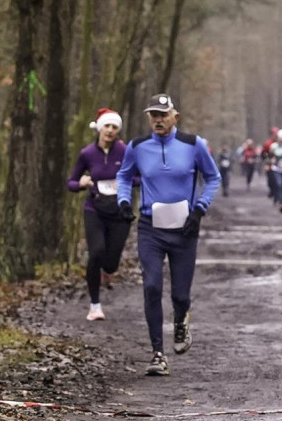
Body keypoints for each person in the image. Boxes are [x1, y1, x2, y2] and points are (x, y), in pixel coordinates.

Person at [116, 93, 221, 376]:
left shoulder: (193, 145)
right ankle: (157, 354)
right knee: (151, 286)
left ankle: (181, 320)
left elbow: (213, 178)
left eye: (163, 114)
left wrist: (200, 209)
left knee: (180, 295)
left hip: (184, 228)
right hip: (151, 227)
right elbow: (124, 177)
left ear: (175, 116)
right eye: (153, 115)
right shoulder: (137, 147)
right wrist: (124, 202)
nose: (158, 119)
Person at [67, 108, 134, 321]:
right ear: (99, 128)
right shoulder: (87, 154)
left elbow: (141, 177)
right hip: (94, 209)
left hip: (120, 210)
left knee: (111, 262)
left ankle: (109, 270)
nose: (111, 131)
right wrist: (81, 183)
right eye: (107, 126)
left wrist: (125, 182)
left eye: (115, 127)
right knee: (96, 252)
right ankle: (95, 305)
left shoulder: (125, 152)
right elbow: (71, 182)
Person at [261, 127, 279, 200]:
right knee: (270, 179)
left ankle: (277, 193)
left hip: (278, 164)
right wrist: (266, 163)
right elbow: (263, 154)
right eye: (274, 134)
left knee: (277, 180)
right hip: (269, 163)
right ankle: (271, 190)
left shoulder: (280, 143)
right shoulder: (268, 143)